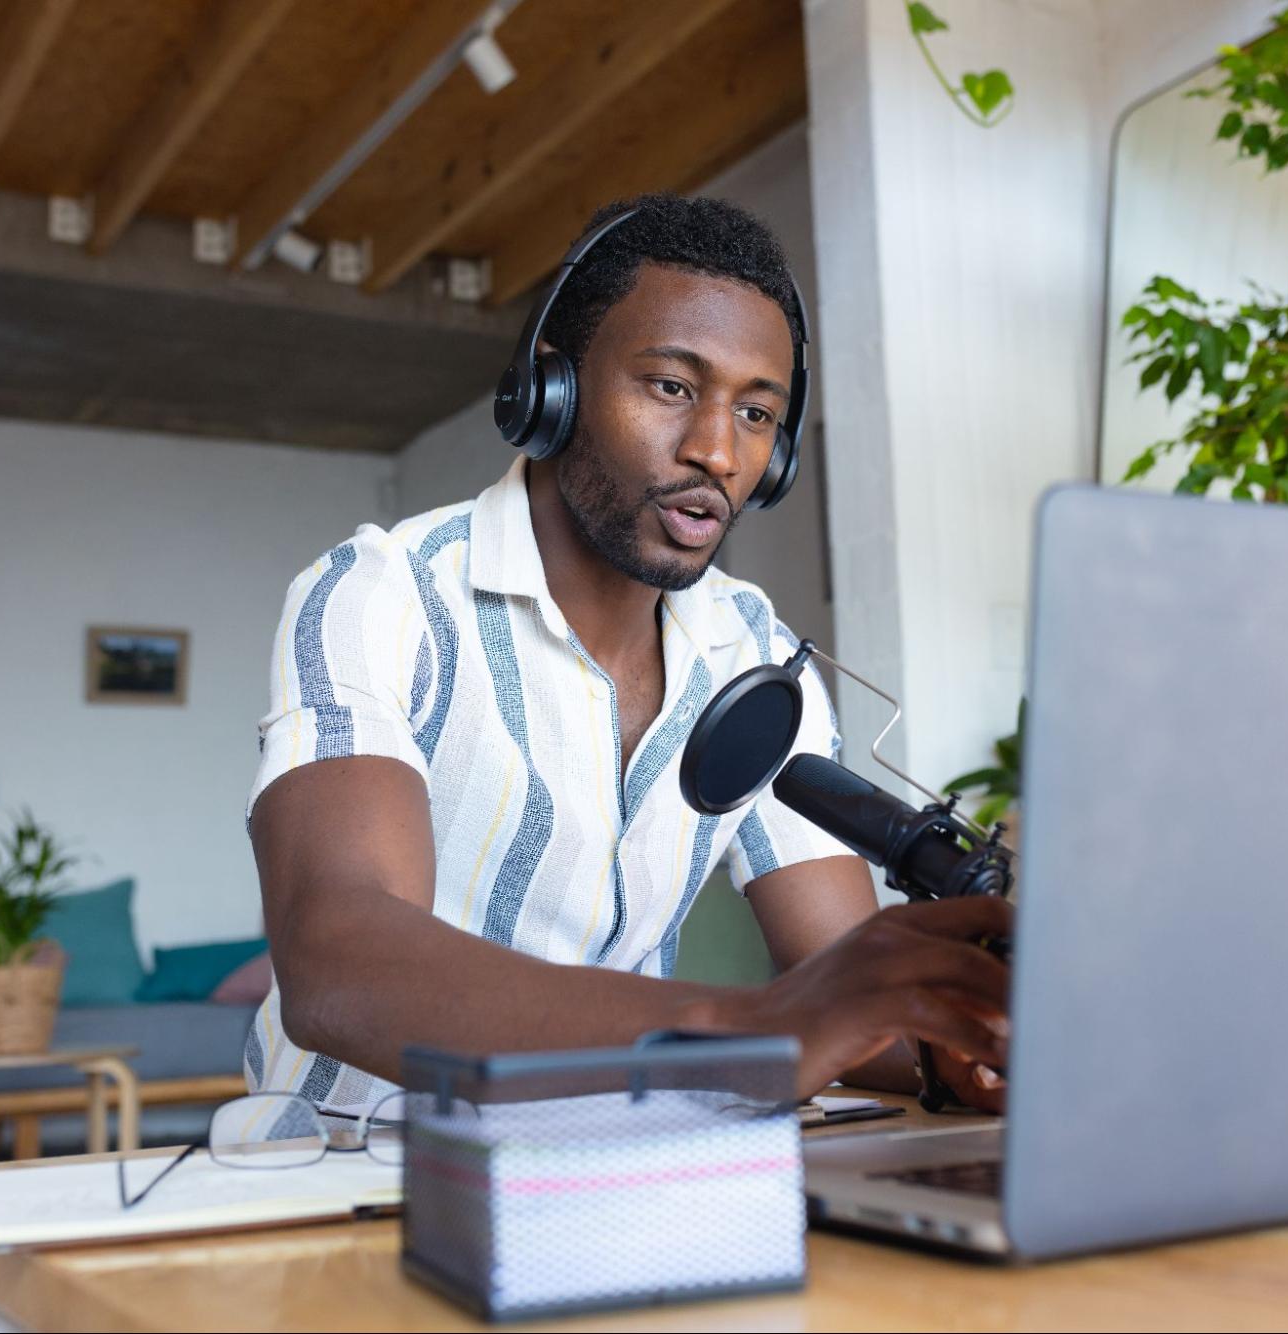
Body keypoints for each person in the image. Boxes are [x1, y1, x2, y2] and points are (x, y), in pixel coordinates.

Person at [246, 194, 1009, 1113]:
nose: (717, 452)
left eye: (758, 414)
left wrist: (951, 1047)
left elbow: (840, 996)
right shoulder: (381, 593)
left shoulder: (753, 650)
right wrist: (748, 1031)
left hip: (618, 1182)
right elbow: (340, 963)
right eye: (672, 388)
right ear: (550, 391)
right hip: (351, 1181)